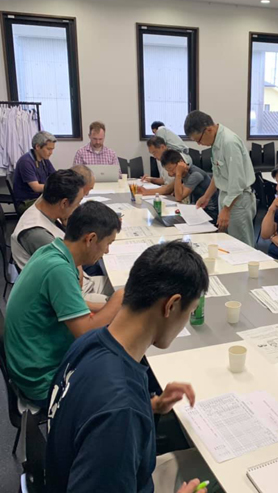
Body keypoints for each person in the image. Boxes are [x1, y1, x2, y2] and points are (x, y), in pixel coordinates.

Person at [45, 241, 214, 493]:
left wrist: (151, 405)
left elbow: (91, 414)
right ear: (171, 305)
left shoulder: (90, 341)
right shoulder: (120, 412)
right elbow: (113, 416)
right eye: (189, 312)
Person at [5, 201, 124, 407]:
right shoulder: (58, 270)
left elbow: (68, 302)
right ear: (90, 239)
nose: (106, 251)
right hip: (44, 381)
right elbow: (85, 333)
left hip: (31, 362)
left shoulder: (51, 250)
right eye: (108, 243)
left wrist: (107, 307)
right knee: (124, 374)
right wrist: (119, 298)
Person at [11, 169, 113, 301]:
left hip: (79, 283)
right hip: (67, 296)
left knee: (127, 288)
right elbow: (70, 275)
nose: (78, 207)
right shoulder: (36, 233)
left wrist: (67, 223)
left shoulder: (47, 206)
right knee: (127, 302)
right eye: (78, 202)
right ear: (64, 203)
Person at [184, 110, 256, 246]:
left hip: (238, 200)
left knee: (242, 246)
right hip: (226, 197)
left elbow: (237, 182)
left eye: (198, 140)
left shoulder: (229, 143)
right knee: (227, 243)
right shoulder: (216, 142)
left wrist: (226, 209)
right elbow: (218, 174)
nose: (199, 144)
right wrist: (206, 196)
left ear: (209, 130)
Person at [139, 150, 218, 222]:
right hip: (197, 209)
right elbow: (168, 189)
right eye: (168, 171)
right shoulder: (183, 173)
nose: (170, 174)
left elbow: (179, 197)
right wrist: (146, 192)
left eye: (171, 169)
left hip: (209, 213)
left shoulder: (195, 175)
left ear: (180, 163)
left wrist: (178, 174)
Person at [13, 131, 57, 213]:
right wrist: (57, 187)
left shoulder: (44, 159)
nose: (51, 153)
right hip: (26, 202)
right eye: (48, 149)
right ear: (37, 146)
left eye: (52, 149)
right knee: (58, 207)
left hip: (40, 197)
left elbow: (55, 176)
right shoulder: (26, 162)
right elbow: (36, 187)